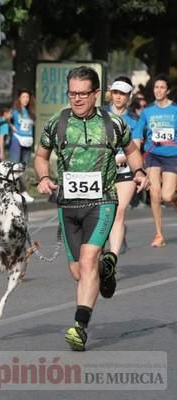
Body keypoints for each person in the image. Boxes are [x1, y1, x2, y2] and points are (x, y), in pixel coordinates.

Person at [34, 66, 149, 351]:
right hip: (68, 206)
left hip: (102, 203)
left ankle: (80, 327)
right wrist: (44, 177)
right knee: (79, 271)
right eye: (72, 93)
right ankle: (105, 269)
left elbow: (132, 150)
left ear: (96, 94)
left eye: (83, 94)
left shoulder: (113, 124)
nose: (77, 99)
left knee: (87, 262)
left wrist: (140, 172)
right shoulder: (57, 123)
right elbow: (41, 156)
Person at [132, 74, 177, 247]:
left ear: (168, 90)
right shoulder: (148, 111)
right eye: (156, 87)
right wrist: (135, 156)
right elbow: (137, 134)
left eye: (162, 88)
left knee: (166, 195)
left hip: (172, 155)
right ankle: (159, 234)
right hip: (153, 155)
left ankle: (173, 198)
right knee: (155, 194)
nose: (158, 90)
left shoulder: (175, 110)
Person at [105, 77, 140, 255]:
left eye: (123, 94)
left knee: (119, 211)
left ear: (129, 96)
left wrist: (116, 159)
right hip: (102, 171)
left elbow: (136, 148)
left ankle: (112, 260)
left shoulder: (134, 119)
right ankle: (117, 235)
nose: (118, 97)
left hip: (125, 171)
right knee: (105, 212)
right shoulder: (100, 114)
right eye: (115, 93)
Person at [11, 89, 36, 203]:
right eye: (23, 97)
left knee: (23, 168)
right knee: (15, 167)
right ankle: (15, 192)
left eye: (27, 97)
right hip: (18, 140)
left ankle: (22, 192)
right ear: (19, 98)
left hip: (28, 141)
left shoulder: (30, 112)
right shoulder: (15, 111)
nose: (26, 99)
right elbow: (4, 119)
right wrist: (11, 127)